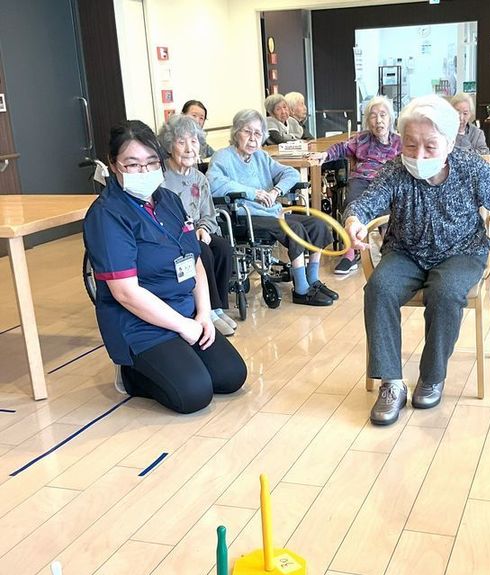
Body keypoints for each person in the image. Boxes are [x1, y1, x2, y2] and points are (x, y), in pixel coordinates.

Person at [344, 95, 490, 427]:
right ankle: (391, 383)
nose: (419, 155)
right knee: (379, 289)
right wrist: (354, 221)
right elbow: (365, 202)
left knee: (445, 292)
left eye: (430, 146)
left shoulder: (469, 167)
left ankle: (432, 376)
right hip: (407, 252)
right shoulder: (396, 170)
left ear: (450, 142)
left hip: (462, 252)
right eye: (410, 145)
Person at [83, 120, 246, 414]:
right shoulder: (107, 214)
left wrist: (203, 314)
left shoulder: (169, 199)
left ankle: (176, 357)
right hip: (140, 325)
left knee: (231, 376)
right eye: (133, 164)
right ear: (114, 164)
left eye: (151, 162)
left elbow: (195, 260)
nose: (144, 171)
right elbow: (125, 293)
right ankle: (131, 374)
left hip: (185, 312)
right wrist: (183, 327)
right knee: (194, 394)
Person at [207, 108, 338, 306]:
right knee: (294, 228)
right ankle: (301, 289)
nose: (253, 138)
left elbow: (291, 174)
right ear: (236, 132)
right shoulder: (223, 157)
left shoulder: (260, 157)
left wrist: (276, 191)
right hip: (243, 217)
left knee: (317, 224)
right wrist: (253, 193)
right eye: (247, 132)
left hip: (271, 213)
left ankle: (313, 280)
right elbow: (214, 182)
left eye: (258, 133)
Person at [159, 114, 237, 336]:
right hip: (172, 236)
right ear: (170, 145)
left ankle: (218, 308)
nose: (189, 148)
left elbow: (208, 214)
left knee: (223, 248)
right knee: (203, 251)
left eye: (193, 141)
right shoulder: (161, 177)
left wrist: (204, 228)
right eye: (181, 142)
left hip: (196, 232)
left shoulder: (199, 178)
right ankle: (208, 311)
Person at [324, 95, 401, 276]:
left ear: (390, 118)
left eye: (383, 115)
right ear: (368, 121)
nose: (378, 120)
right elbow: (341, 148)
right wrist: (325, 155)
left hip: (387, 181)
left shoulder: (399, 142)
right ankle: (350, 254)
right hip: (361, 179)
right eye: (373, 116)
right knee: (352, 202)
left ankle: (388, 253)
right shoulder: (362, 139)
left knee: (387, 205)